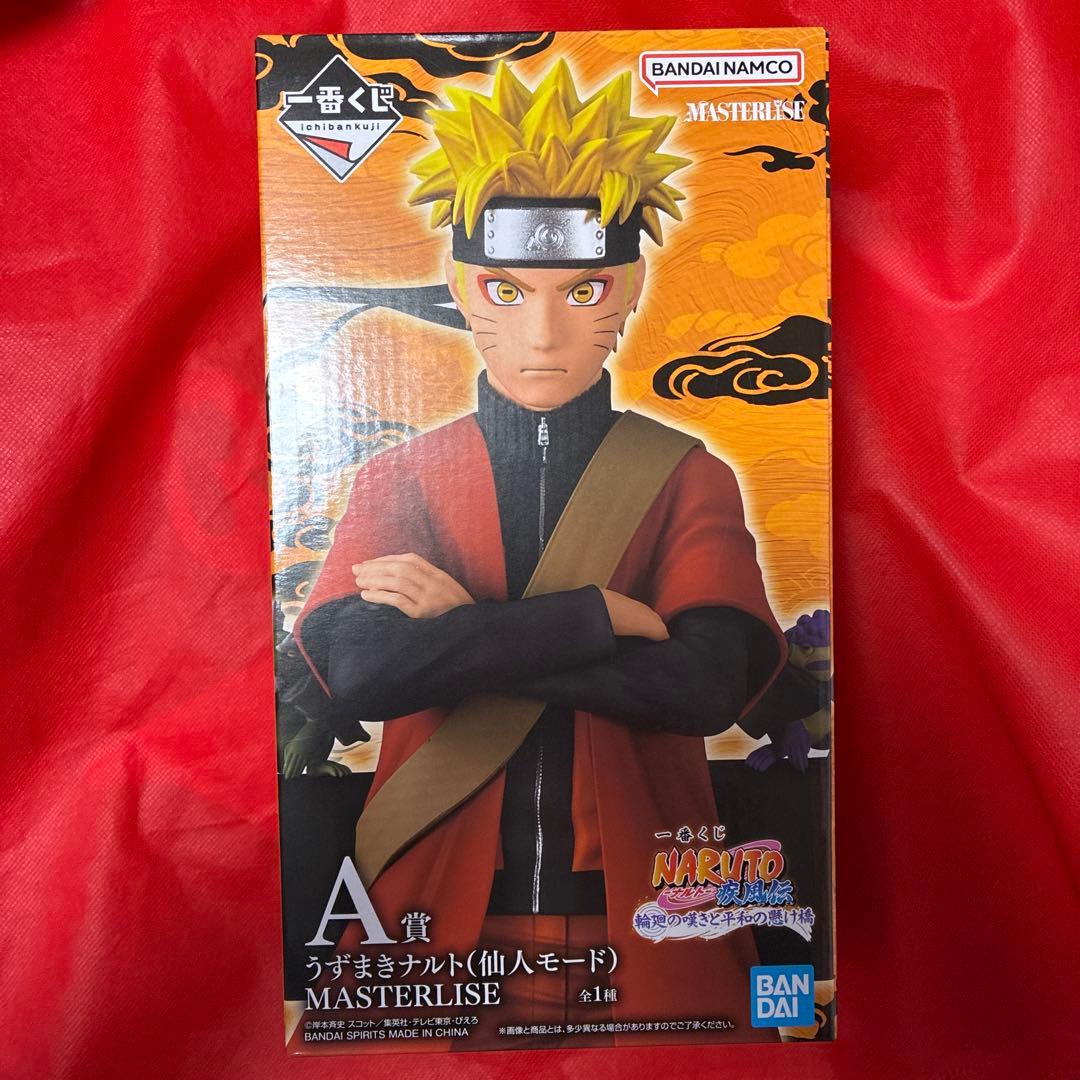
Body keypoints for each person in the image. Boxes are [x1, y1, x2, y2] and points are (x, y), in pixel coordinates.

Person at [291, 57, 788, 1047]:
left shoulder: (687, 475)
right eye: (506, 290)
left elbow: (705, 686)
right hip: (426, 913)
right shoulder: (401, 475)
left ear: (629, 289)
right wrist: (598, 620)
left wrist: (465, 630)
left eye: (585, 288)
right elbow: (363, 671)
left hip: (654, 914)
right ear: (459, 288)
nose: (547, 333)